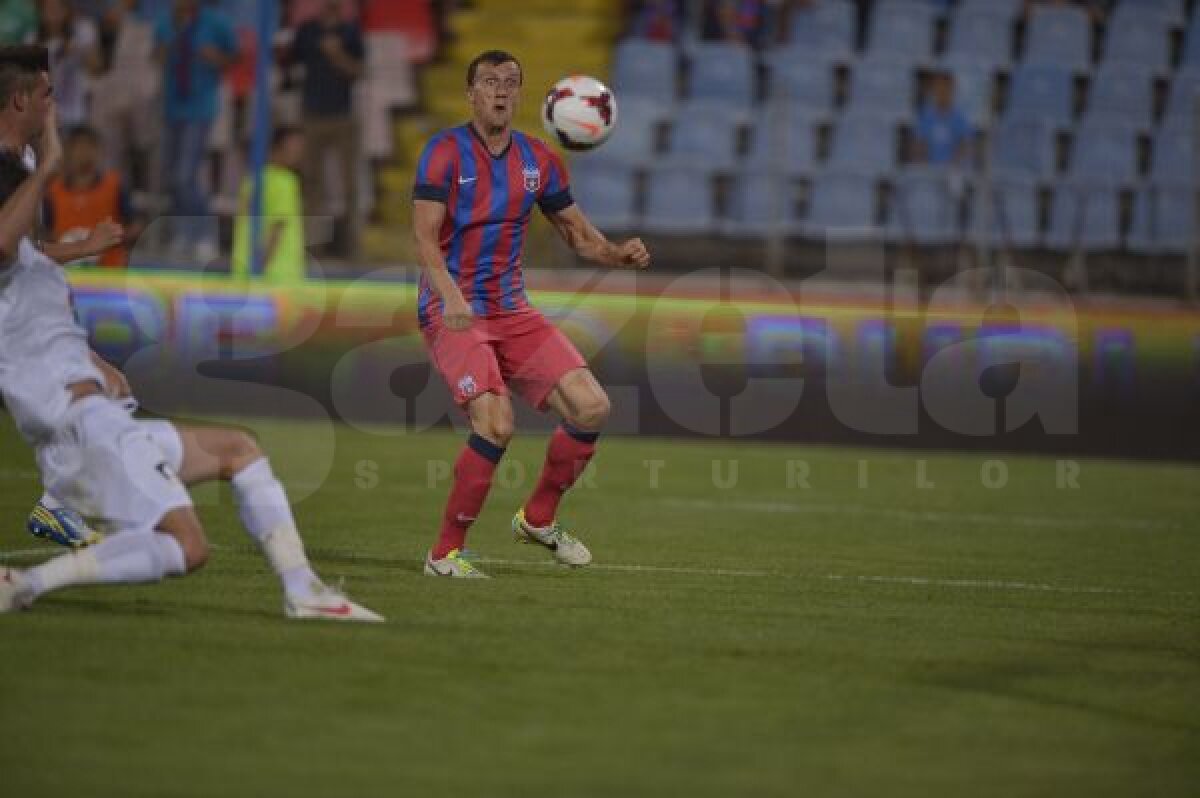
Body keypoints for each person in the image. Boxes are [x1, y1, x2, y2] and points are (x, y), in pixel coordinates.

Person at [0, 46, 380, 621]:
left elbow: (22, 260)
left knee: (241, 450)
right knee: (187, 544)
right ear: (20, 99)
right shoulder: (16, 174)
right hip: (73, 422)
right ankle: (23, 585)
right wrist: (51, 164)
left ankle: (304, 590)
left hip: (86, 413)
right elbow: (4, 247)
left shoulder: (14, 177)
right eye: (48, 94)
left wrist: (85, 337)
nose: (55, 107)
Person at [412, 50, 650, 578]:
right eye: (490, 81)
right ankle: (444, 554)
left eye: (511, 83)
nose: (501, 90)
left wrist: (617, 254)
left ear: (521, 95)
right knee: (496, 424)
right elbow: (424, 238)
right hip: (455, 309)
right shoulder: (443, 153)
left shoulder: (539, 160)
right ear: (470, 93)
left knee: (591, 408)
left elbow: (577, 236)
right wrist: (450, 295)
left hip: (513, 311)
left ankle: (538, 518)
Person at [154, 0, 237, 260]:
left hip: (200, 109)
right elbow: (157, 56)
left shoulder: (216, 23)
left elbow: (235, 57)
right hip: (171, 107)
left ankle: (204, 234)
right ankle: (183, 233)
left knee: (184, 175)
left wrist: (216, 57)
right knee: (171, 175)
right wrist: (167, 49)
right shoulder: (165, 21)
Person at [288, 0, 364, 258]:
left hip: (343, 116)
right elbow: (289, 61)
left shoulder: (351, 31)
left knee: (349, 184)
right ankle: (313, 247)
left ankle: (352, 246)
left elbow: (358, 71)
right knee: (311, 183)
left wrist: (336, 54)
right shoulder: (307, 30)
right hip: (312, 115)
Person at [42, 124, 140, 268]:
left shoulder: (114, 185)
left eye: (90, 146)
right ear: (68, 150)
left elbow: (135, 227)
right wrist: (70, 245)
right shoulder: (52, 192)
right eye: (79, 146)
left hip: (108, 276)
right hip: (65, 276)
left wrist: (110, 239)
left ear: (99, 150)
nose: (85, 152)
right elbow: (44, 234)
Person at [231, 126, 306, 282]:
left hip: (243, 270)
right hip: (277, 275)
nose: (299, 153)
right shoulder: (285, 182)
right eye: (295, 146)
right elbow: (277, 229)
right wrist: (261, 266)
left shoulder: (251, 180)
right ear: (278, 148)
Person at [31, 0, 102, 129]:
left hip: (78, 109)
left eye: (58, 8)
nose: (54, 14)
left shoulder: (82, 31)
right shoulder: (32, 39)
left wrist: (79, 51)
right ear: (41, 12)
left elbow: (97, 67)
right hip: (48, 113)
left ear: (66, 10)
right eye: (49, 9)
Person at [912, 71, 973, 167]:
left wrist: (951, 167)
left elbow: (964, 148)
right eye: (938, 89)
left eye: (945, 88)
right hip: (929, 171)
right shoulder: (925, 117)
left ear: (952, 90)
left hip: (953, 171)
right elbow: (919, 147)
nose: (941, 93)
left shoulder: (961, 119)